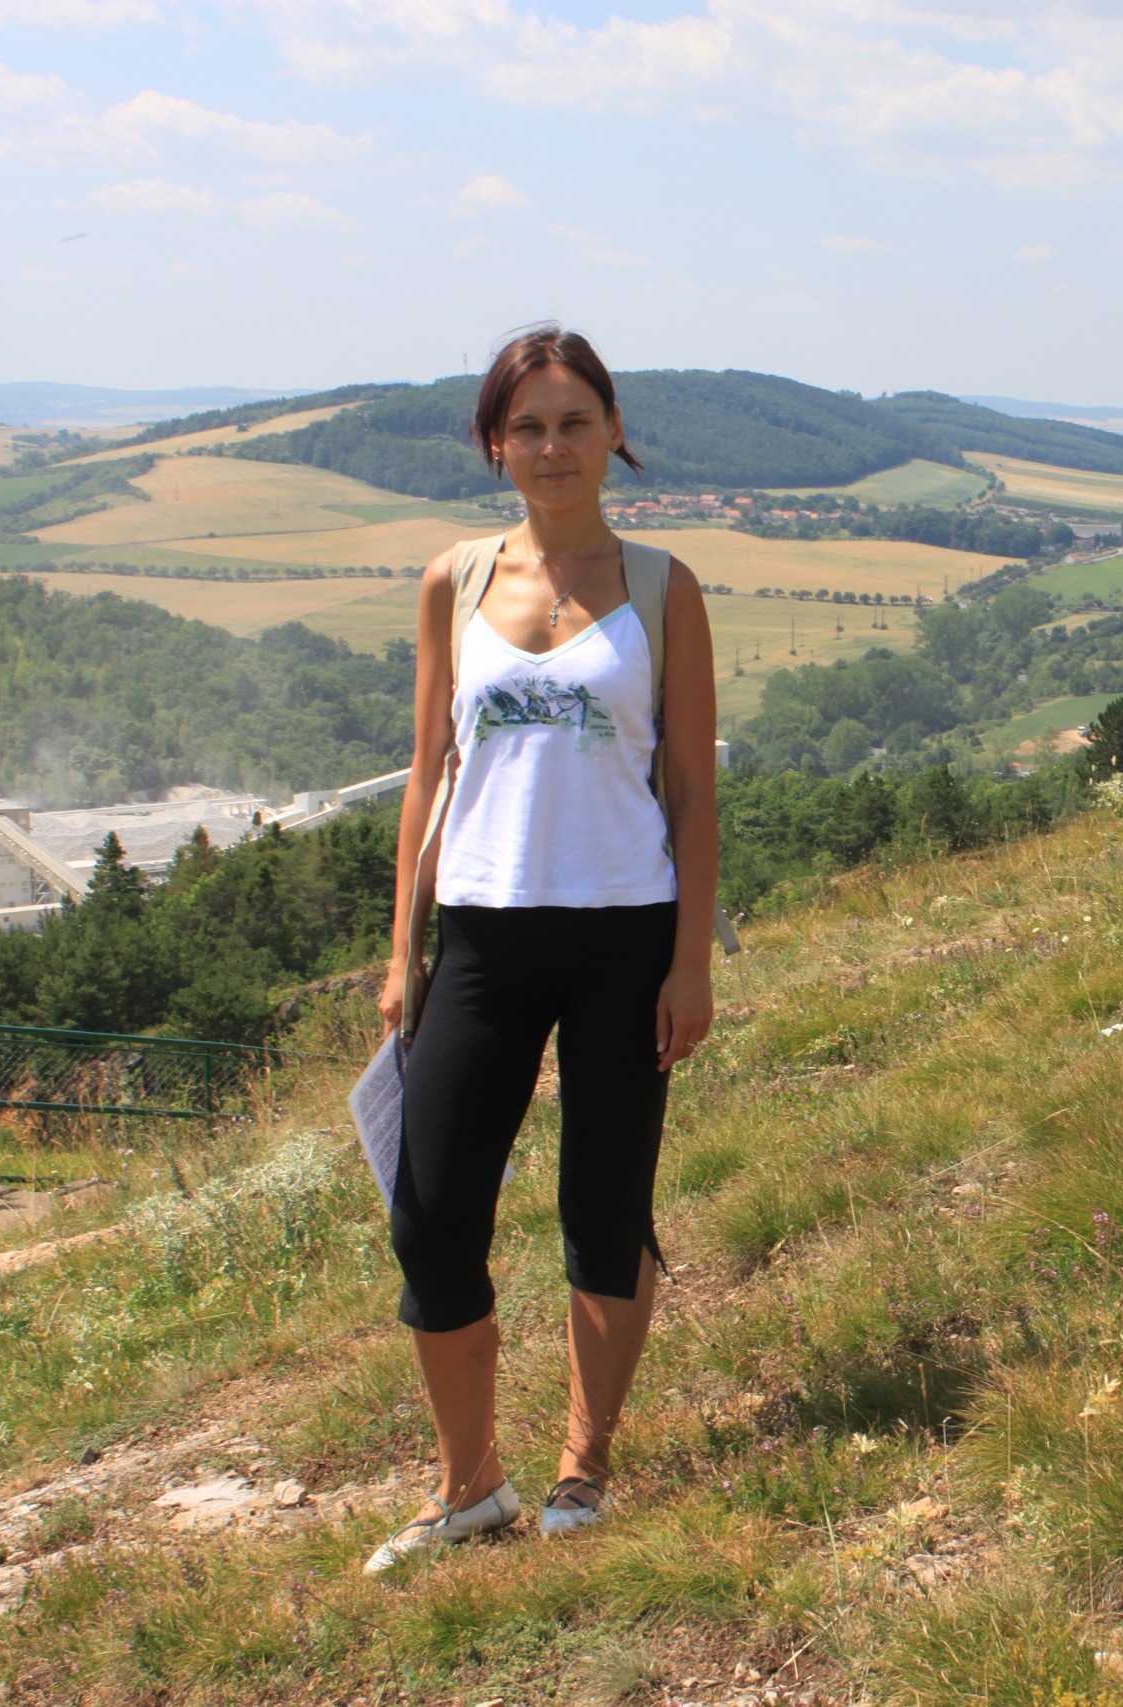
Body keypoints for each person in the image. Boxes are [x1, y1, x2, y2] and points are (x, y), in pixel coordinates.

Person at [364, 325, 718, 1574]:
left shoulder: (664, 587)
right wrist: (403, 952)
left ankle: (583, 1468)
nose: (552, 446)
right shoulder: (453, 582)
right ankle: (468, 1487)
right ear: (493, 445)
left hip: (626, 930)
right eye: (527, 427)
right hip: (482, 931)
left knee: (603, 1209)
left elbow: (691, 789)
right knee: (431, 1218)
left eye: (574, 422)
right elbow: (427, 773)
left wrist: (690, 963)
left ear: (612, 432)